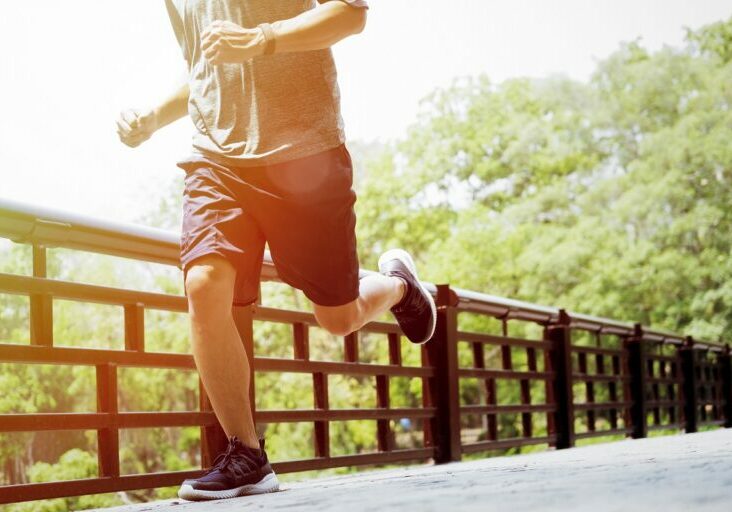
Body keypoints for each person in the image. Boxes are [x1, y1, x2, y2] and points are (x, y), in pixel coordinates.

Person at [116, 0, 436, 502]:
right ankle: (246, 455)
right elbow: (206, 70)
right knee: (203, 286)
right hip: (216, 161)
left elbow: (351, 15)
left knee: (337, 317)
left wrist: (264, 38)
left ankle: (398, 286)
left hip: (305, 158)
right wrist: (155, 116)